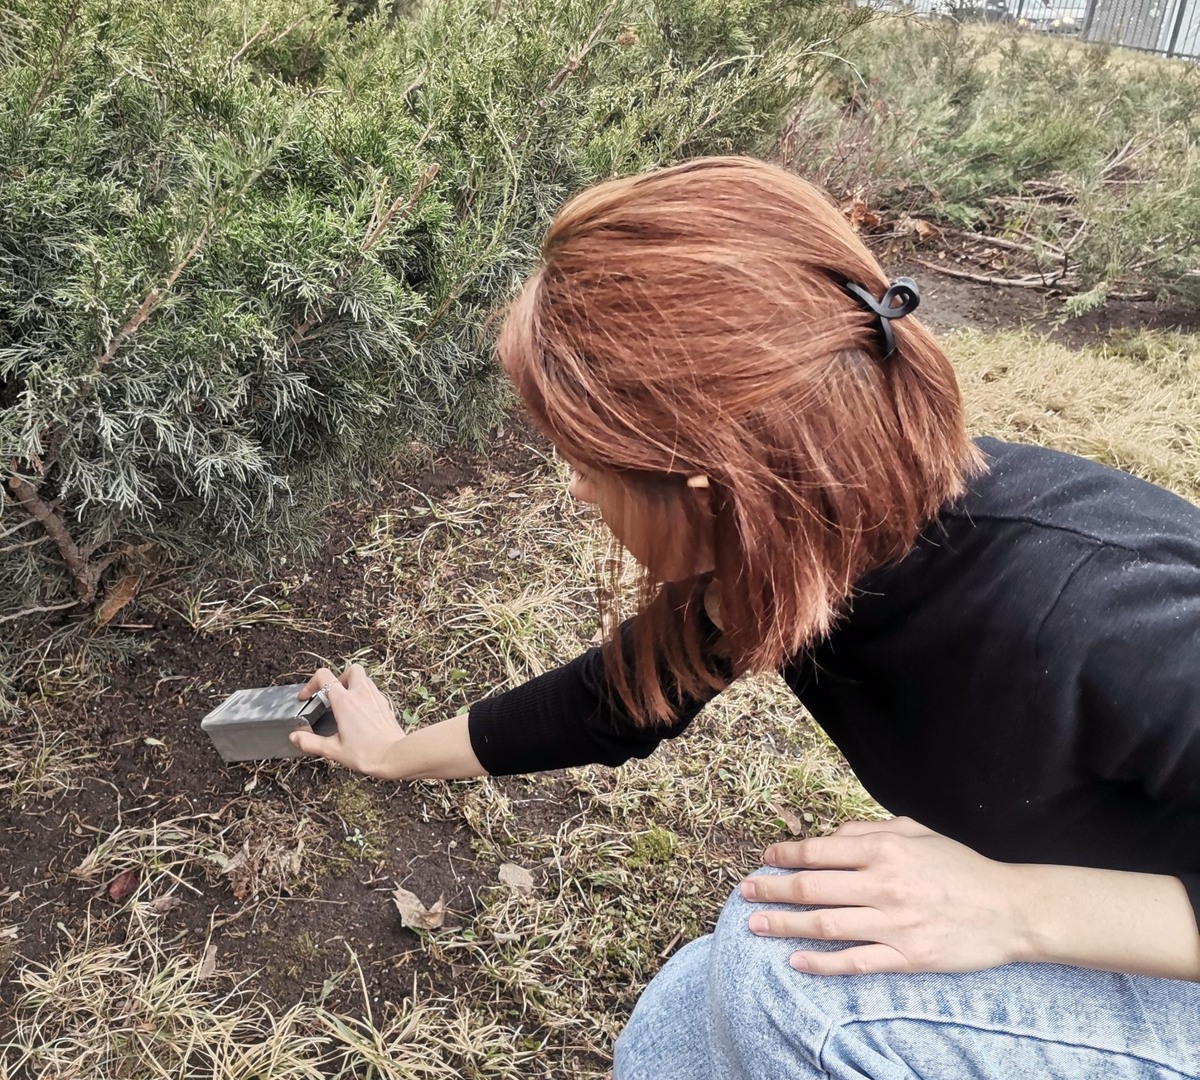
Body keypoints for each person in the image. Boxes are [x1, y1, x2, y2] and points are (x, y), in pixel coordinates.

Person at [290, 157, 1200, 1078]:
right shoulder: (814, 529)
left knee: (787, 985)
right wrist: (393, 753)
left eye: (586, 463)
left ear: (707, 488)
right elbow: (614, 701)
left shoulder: (1104, 614)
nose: (574, 490)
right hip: (1119, 894)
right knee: (682, 1026)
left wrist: (1013, 907)